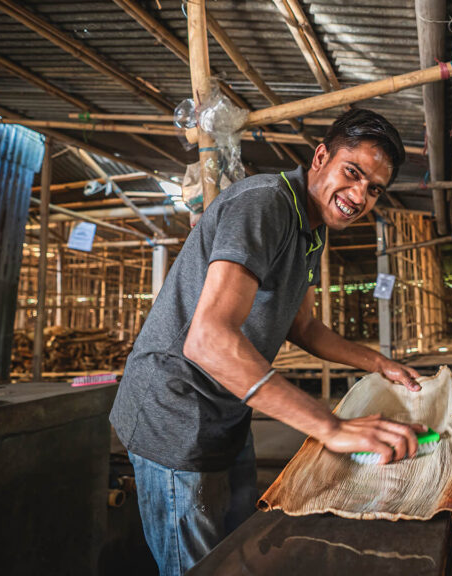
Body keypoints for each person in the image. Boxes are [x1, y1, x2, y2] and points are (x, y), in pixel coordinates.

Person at [109, 109, 425, 575]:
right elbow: (209, 341)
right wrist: (330, 426)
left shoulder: (310, 231)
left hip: (227, 411)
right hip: (174, 413)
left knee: (242, 549)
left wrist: (378, 364)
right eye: (352, 173)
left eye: (374, 189)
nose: (359, 196)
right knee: (201, 565)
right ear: (321, 157)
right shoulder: (265, 205)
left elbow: (305, 328)